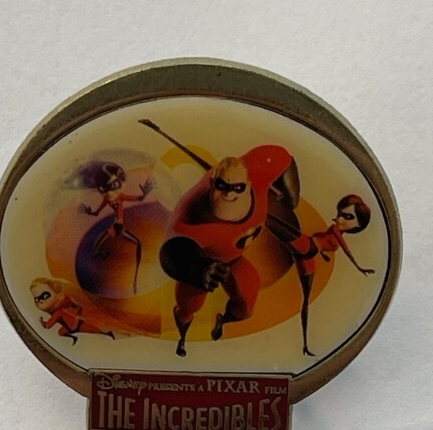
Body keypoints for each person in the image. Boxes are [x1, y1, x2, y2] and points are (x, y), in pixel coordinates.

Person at [159, 145, 299, 356]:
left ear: (248, 184)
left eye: (237, 188)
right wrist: (197, 269)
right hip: (204, 262)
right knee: (188, 306)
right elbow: (172, 252)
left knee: (246, 306)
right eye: (222, 186)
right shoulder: (190, 218)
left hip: (234, 258)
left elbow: (283, 158)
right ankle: (182, 337)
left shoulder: (258, 169)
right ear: (212, 183)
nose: (229, 194)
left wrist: (291, 195)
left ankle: (223, 321)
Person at [286, 194, 375, 356]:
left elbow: (335, 245)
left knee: (306, 300)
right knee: (277, 226)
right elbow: (342, 248)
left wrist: (323, 253)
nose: (339, 219)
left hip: (308, 257)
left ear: (359, 224)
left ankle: (305, 345)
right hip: (308, 247)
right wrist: (358, 267)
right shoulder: (334, 229)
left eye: (348, 216)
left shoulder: (336, 231)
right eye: (340, 213)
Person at [78, 161, 153, 294]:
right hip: (115, 227)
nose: (109, 192)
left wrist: (145, 193)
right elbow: (97, 212)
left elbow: (139, 199)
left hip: (120, 227)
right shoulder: (107, 200)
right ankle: (105, 257)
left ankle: (135, 280)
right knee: (95, 249)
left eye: (114, 185)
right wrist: (88, 212)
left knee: (138, 243)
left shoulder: (121, 197)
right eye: (104, 188)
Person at [30, 277, 115, 345]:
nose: (40, 301)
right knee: (61, 332)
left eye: (45, 296)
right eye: (36, 299)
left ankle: (108, 333)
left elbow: (49, 325)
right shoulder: (60, 308)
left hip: (76, 324)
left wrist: (44, 323)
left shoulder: (58, 312)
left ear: (60, 296)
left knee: (95, 330)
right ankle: (75, 338)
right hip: (70, 327)